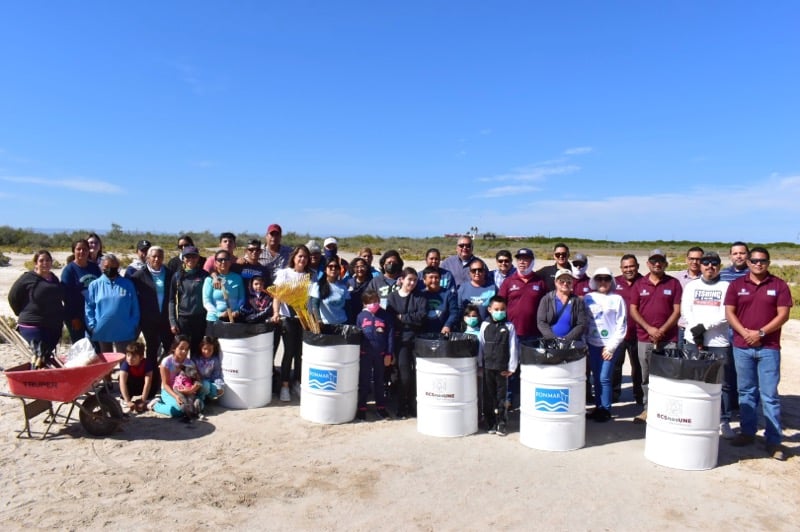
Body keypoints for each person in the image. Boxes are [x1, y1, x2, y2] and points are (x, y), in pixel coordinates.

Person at [724, 246, 792, 460]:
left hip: (768, 347)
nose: (758, 264)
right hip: (742, 346)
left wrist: (761, 333)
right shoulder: (736, 285)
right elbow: (729, 312)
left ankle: (773, 441)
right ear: (749, 262)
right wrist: (745, 333)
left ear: (768, 262)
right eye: (754, 260)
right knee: (746, 392)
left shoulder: (778, 285)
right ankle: (747, 432)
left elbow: (783, 314)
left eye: (762, 260)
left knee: (770, 396)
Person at [680, 251, 735, 439]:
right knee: (694, 380)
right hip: (693, 340)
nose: (709, 267)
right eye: (706, 263)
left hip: (718, 341)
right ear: (700, 266)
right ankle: (695, 416)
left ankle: (723, 420)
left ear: (719, 266)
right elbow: (686, 308)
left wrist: (705, 327)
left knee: (722, 383)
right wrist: (696, 330)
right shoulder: (691, 286)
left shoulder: (727, 286)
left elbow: (726, 312)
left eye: (714, 263)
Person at [629, 249, 682, 424]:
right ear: (648, 264)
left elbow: (677, 310)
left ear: (666, 263)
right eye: (653, 261)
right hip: (645, 338)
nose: (657, 264)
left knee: (668, 376)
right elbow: (633, 310)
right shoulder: (640, 284)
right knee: (646, 376)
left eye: (660, 261)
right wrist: (650, 329)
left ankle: (667, 410)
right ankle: (648, 409)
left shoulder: (673, 284)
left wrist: (662, 329)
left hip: (669, 338)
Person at [499, 248, 546, 409]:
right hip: (513, 334)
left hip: (534, 334)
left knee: (531, 370)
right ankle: (509, 399)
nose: (522, 262)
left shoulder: (539, 282)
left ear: (532, 261)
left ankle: (528, 399)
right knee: (511, 369)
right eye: (519, 259)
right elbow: (499, 305)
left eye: (525, 259)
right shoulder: (508, 282)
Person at [8, 249, 65, 366]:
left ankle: (43, 380)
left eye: (48, 260)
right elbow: (12, 296)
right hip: (33, 324)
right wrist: (21, 312)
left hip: (52, 325)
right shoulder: (28, 278)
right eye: (41, 260)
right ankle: (35, 379)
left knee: (46, 356)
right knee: (39, 354)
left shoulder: (54, 278)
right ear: (35, 263)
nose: (45, 263)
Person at [584, 268, 627, 422]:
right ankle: (598, 407)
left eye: (606, 279)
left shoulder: (617, 299)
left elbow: (621, 326)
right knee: (595, 377)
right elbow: (584, 322)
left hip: (609, 346)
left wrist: (611, 347)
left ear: (611, 281)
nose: (603, 282)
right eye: (599, 278)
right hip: (592, 344)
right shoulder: (588, 298)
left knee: (604, 378)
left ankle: (606, 409)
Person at [272, 245, 313, 402]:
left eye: (305, 257)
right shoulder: (284, 274)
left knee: (300, 353)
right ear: (294, 257)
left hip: (304, 320)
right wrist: (276, 313)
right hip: (287, 318)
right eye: (300, 256)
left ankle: (298, 382)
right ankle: (284, 386)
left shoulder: (310, 276)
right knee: (288, 352)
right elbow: (277, 297)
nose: (302, 259)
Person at [386, 267, 427, 419]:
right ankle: (402, 406)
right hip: (400, 340)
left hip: (417, 339)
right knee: (404, 374)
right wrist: (409, 318)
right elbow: (391, 318)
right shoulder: (392, 297)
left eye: (415, 280)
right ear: (401, 279)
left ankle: (414, 406)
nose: (412, 283)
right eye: (410, 279)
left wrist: (403, 318)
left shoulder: (420, 297)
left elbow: (421, 317)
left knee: (418, 373)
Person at [478, 295, 519, 436]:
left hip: (502, 369)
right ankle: (490, 423)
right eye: (496, 309)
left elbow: (513, 347)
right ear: (489, 309)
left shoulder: (509, 326)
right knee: (488, 396)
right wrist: (479, 364)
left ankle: (501, 423)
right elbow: (481, 346)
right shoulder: (484, 325)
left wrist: (511, 367)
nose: (499, 312)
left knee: (501, 397)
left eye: (502, 309)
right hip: (488, 367)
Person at [85, 253, 140, 355]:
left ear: (118, 267)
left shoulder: (127, 284)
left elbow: (135, 307)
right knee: (106, 361)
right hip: (102, 329)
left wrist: (133, 324)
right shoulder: (94, 285)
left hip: (124, 330)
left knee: (124, 360)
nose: (110, 269)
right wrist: (92, 326)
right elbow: (89, 307)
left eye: (113, 267)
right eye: (106, 267)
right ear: (101, 267)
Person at [131, 246, 174, 375]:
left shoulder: (169, 274)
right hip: (148, 320)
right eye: (154, 256)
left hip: (166, 319)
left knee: (170, 348)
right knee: (152, 349)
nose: (157, 259)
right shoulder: (138, 276)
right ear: (148, 258)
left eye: (160, 256)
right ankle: (152, 379)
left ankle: (173, 378)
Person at [355, 290, 394, 421]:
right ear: (365, 303)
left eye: (376, 301)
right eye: (370, 302)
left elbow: (390, 336)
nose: (374, 304)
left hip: (381, 354)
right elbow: (357, 335)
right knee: (364, 381)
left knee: (380, 381)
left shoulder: (385, 316)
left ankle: (381, 408)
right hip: (365, 354)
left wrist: (389, 353)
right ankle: (361, 408)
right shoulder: (361, 316)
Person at [612, 254, 644, 405]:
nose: (629, 269)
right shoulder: (614, 282)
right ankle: (614, 394)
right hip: (618, 334)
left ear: (637, 266)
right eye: (625, 267)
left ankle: (639, 395)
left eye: (631, 266)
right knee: (616, 366)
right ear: (621, 268)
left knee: (638, 367)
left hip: (638, 333)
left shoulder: (644, 282)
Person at [168, 246, 209, 354]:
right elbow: (171, 300)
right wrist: (172, 321)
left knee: (197, 349)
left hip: (200, 318)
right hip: (183, 319)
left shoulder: (204, 275)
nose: (191, 259)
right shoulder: (177, 276)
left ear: (198, 258)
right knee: (181, 350)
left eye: (194, 256)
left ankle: (194, 370)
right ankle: (181, 371)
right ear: (183, 258)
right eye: (187, 256)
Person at [150, 335, 202, 418]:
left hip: (187, 391)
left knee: (199, 405)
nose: (184, 351)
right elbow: (165, 384)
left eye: (186, 349)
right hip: (170, 391)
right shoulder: (166, 362)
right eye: (181, 348)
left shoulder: (190, 363)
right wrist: (176, 396)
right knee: (179, 410)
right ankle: (155, 405)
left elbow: (198, 380)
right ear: (174, 348)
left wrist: (192, 389)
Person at [61, 238, 101, 343]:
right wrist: (74, 317)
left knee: (96, 344)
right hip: (76, 314)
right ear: (74, 251)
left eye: (84, 249)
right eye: (78, 249)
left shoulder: (94, 268)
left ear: (88, 251)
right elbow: (67, 296)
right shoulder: (69, 270)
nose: (81, 252)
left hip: (93, 314)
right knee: (80, 344)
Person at [537, 268, 587, 342]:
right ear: (555, 282)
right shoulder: (546, 299)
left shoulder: (577, 301)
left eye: (568, 281)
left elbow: (581, 324)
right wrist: (553, 339)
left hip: (571, 344)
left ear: (572, 283)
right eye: (561, 281)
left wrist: (566, 340)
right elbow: (541, 322)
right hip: (550, 342)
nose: (565, 284)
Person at [203, 250, 245, 324]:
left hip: (234, 318)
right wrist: (218, 314)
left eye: (226, 259)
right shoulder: (209, 280)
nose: (223, 262)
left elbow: (242, 298)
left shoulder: (238, 278)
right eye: (220, 260)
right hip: (214, 319)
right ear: (215, 263)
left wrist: (237, 311)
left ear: (230, 262)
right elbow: (207, 301)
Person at [309, 256, 351, 328]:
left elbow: (348, 306)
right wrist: (318, 320)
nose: (333, 269)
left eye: (336, 266)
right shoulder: (318, 286)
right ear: (325, 269)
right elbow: (314, 305)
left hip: (342, 323)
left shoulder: (343, 287)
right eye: (330, 266)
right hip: (325, 324)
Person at [676, 246, 704, 348]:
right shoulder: (678, 278)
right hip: (682, 327)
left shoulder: (707, 278)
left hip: (702, 328)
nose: (694, 262)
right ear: (686, 259)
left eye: (698, 259)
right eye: (691, 259)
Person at [420, 266, 459, 335]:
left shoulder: (448, 294)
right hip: (424, 334)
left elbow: (454, 312)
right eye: (431, 277)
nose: (434, 280)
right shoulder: (420, 295)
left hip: (443, 333)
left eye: (436, 277)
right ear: (424, 280)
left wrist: (447, 325)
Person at [119, 341, 155, 412]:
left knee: (153, 383)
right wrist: (128, 401)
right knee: (123, 381)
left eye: (134, 356)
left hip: (142, 385)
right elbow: (122, 383)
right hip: (132, 387)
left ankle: (146, 399)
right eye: (128, 355)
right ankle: (126, 399)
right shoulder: (125, 364)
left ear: (141, 357)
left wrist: (143, 400)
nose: (130, 359)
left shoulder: (146, 363)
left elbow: (148, 383)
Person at [195, 335, 224, 401]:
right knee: (206, 386)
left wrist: (219, 386)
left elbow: (216, 375)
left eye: (210, 350)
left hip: (210, 382)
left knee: (216, 389)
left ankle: (206, 397)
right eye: (204, 349)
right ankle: (200, 399)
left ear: (214, 349)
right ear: (201, 347)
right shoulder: (196, 359)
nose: (207, 352)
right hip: (198, 383)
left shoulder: (215, 360)